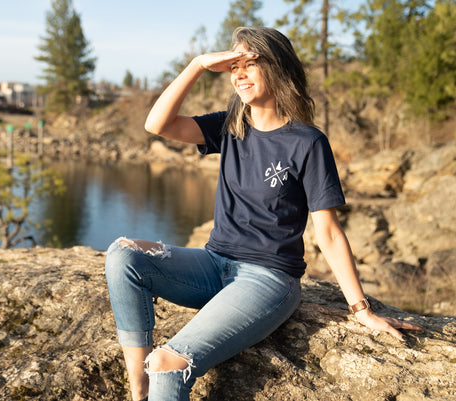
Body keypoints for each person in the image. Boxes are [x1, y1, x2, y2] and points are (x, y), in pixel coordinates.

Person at [104, 27, 422, 401]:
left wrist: (361, 309)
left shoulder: (308, 142)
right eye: (233, 65)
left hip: (269, 281)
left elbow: (330, 233)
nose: (238, 73)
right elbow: (156, 124)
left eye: (250, 63)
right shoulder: (230, 127)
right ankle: (139, 391)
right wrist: (197, 65)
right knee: (123, 255)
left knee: (169, 364)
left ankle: (156, 378)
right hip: (214, 264)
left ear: (278, 67)